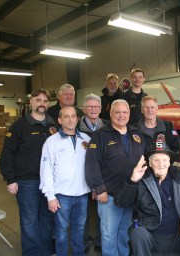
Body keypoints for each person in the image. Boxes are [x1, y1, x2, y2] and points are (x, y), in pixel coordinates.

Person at [115, 140, 180, 256]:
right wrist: (133, 180)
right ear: (150, 163)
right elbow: (122, 202)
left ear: (169, 162)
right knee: (138, 233)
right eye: (156, 160)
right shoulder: (142, 179)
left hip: (179, 232)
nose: (161, 164)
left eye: (164, 160)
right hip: (151, 233)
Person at [85, 99, 146, 256]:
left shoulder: (136, 133)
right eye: (117, 112)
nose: (121, 115)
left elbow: (145, 160)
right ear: (111, 114)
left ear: (129, 114)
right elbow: (92, 164)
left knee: (124, 232)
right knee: (108, 234)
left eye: (125, 112)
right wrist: (99, 189)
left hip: (131, 194)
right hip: (110, 195)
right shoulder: (100, 135)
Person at [0, 88, 56, 256]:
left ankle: (46, 252)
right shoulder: (19, 126)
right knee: (29, 221)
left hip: (50, 182)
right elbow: (7, 154)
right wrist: (10, 179)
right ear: (30, 102)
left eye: (45, 101)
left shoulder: (53, 124)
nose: (42, 104)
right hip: (27, 182)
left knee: (47, 220)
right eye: (38, 100)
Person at [40, 106, 91, 255]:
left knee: (79, 230)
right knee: (61, 231)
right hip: (62, 195)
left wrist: (94, 188)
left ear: (77, 118)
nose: (70, 119)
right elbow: (46, 169)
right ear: (59, 120)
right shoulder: (52, 142)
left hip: (82, 194)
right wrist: (50, 196)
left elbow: (92, 166)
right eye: (66, 116)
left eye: (73, 116)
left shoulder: (86, 140)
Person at [79, 93, 107, 253]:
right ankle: (82, 242)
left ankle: (99, 241)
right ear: (84, 109)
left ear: (101, 108)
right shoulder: (75, 127)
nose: (93, 109)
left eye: (96, 106)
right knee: (83, 214)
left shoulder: (108, 126)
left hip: (102, 178)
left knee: (100, 213)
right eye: (90, 106)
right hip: (80, 178)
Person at [136, 95, 180, 161]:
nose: (149, 110)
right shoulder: (135, 129)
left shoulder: (168, 127)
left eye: (152, 107)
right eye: (146, 107)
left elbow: (176, 149)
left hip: (163, 168)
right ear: (142, 110)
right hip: (143, 168)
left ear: (157, 109)